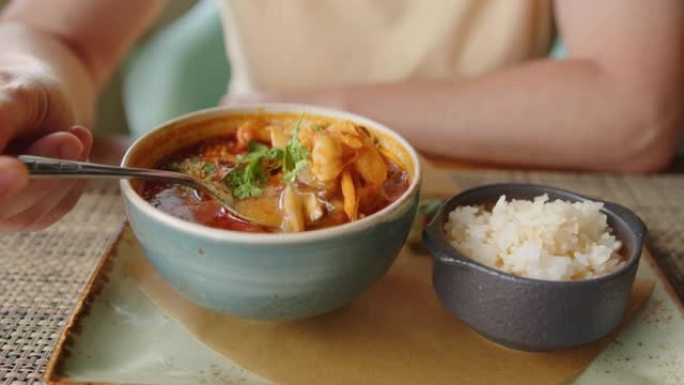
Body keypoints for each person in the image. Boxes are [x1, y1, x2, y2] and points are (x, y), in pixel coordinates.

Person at [0, 0, 682, 232]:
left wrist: (318, 125)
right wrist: (27, 88)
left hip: (484, 213)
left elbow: (635, 107)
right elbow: (56, 32)